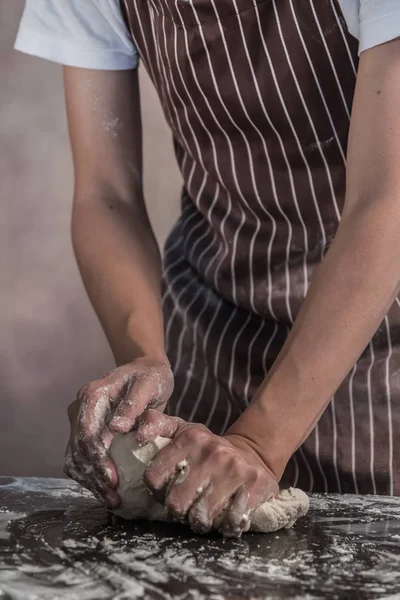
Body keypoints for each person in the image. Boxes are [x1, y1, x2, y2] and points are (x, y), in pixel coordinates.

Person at [15, 0, 400, 536]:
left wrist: (259, 441)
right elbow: (108, 195)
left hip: (379, 352)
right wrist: (143, 357)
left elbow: (385, 201)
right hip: (213, 329)